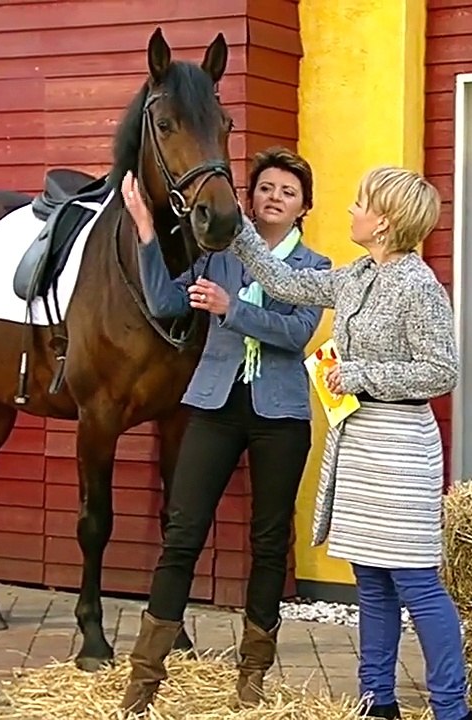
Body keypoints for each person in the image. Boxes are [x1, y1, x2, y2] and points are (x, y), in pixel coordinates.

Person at [226, 166, 472, 720]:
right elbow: (282, 281)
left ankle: (452, 709)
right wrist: (234, 223)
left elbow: (441, 372)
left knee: (416, 582)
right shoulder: (356, 275)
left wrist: (360, 373)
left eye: (361, 203)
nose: (350, 210)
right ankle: (377, 701)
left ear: (384, 223)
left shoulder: (419, 287)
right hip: (359, 442)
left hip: (401, 445)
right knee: (371, 578)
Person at [117, 147, 331, 712]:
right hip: (213, 406)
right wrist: (145, 230)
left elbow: (295, 335)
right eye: (265, 188)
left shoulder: (317, 269)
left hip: (279, 417)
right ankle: (144, 679)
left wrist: (231, 309)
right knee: (182, 534)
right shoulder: (219, 255)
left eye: (288, 191)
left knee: (267, 542)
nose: (274, 198)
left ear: (304, 207)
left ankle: (252, 675)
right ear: (249, 198)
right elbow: (166, 301)